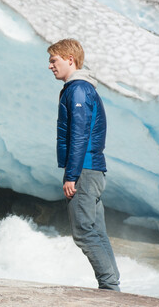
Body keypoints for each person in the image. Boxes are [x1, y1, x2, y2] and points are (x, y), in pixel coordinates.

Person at [47, 38, 120, 291]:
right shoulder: (82, 88)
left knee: (84, 232)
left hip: (84, 171)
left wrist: (72, 175)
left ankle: (110, 288)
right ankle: (112, 287)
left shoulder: (78, 89)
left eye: (53, 60)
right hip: (94, 169)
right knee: (96, 231)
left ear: (70, 59)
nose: (50, 66)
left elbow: (79, 134)